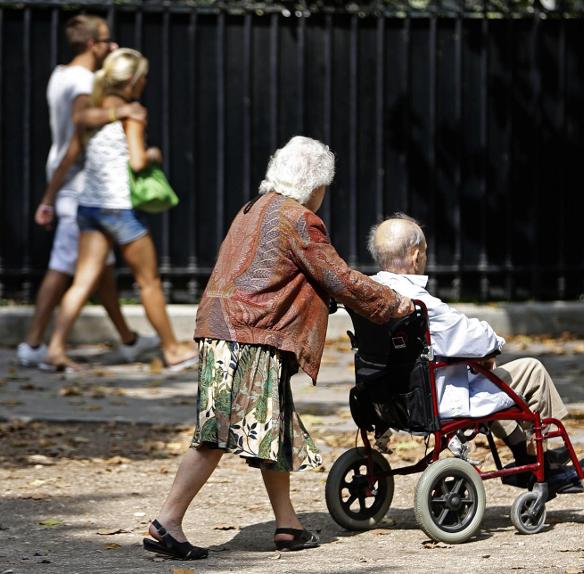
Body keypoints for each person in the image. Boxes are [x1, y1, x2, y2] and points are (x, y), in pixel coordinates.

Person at [142, 136, 414, 560]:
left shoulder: (253, 208)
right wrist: (391, 301)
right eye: (325, 186)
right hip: (249, 334)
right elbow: (337, 277)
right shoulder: (299, 219)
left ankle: (287, 524)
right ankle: (167, 521)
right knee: (215, 433)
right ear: (314, 184)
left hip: (225, 328)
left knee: (275, 426)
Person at [367, 214, 584, 476]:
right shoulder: (423, 305)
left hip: (393, 398)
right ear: (416, 257)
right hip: (437, 398)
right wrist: (491, 348)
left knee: (487, 378)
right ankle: (549, 456)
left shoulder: (370, 292)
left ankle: (520, 449)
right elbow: (481, 340)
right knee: (531, 370)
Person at [41, 48, 196, 372]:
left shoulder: (91, 111)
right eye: (143, 77)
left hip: (90, 206)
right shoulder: (132, 113)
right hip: (121, 209)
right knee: (148, 281)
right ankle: (171, 349)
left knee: (82, 281)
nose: (145, 82)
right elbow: (138, 161)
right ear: (133, 81)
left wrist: (48, 199)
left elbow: (69, 156)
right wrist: (154, 154)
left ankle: (55, 348)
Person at [17, 14, 157, 368]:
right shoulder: (82, 80)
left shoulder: (60, 74)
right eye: (107, 40)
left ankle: (127, 338)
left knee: (96, 271)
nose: (112, 46)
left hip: (73, 184)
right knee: (67, 269)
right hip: (79, 185)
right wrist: (123, 109)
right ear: (92, 45)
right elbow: (81, 124)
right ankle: (36, 345)